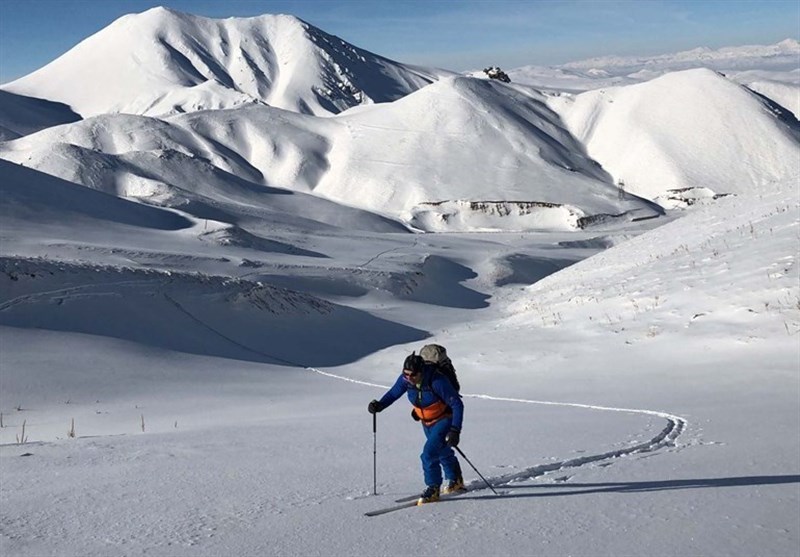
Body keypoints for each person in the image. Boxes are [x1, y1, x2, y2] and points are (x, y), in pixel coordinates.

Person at [368, 352, 465, 504]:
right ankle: (456, 479)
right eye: (405, 374)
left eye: (413, 375)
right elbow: (394, 393)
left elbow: (457, 404)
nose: (409, 378)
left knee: (428, 454)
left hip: (444, 419)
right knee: (441, 451)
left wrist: (455, 430)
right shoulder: (406, 380)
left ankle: (433, 488)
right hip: (426, 421)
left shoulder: (437, 381)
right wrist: (380, 405)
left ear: (421, 372)